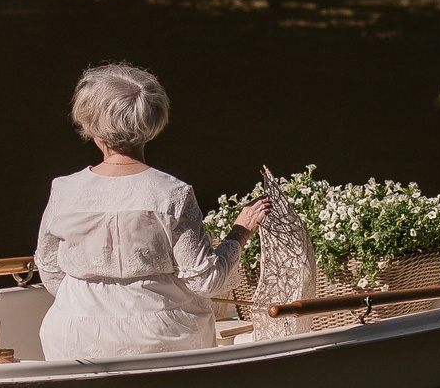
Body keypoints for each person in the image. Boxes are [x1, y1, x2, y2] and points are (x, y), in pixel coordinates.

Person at [32, 62, 269, 361]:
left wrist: (90, 303)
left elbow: (51, 270)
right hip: (161, 340)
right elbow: (206, 280)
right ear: (153, 121)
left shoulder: (64, 191)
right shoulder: (172, 193)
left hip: (73, 337)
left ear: (90, 123)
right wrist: (241, 231)